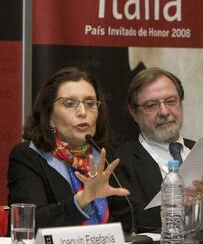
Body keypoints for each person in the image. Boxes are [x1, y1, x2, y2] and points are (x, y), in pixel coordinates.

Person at [111, 67, 203, 232]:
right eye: (151, 105)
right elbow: (132, 222)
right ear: (133, 113)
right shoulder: (121, 162)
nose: (164, 112)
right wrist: (176, 205)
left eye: (170, 101)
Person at [7, 67, 130, 230]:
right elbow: (28, 221)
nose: (82, 112)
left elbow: (131, 215)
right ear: (49, 114)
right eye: (70, 104)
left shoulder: (102, 153)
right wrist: (81, 202)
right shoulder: (28, 156)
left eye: (90, 103)